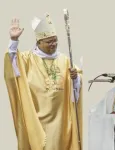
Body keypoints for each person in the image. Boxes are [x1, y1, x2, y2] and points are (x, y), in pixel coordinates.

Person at [4, 13, 83, 150]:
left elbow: (77, 86)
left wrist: (76, 78)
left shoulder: (65, 60)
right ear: (39, 42)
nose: (53, 44)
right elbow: (12, 68)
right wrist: (14, 41)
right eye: (49, 41)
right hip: (35, 118)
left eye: (55, 40)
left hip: (61, 120)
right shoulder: (27, 59)